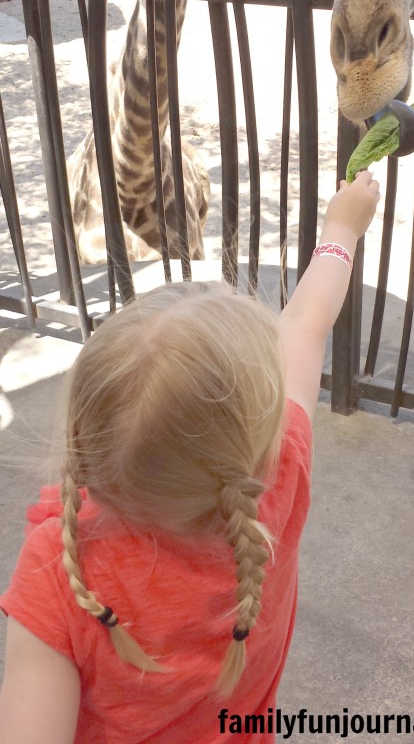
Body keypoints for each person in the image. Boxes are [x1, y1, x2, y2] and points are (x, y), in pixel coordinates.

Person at [0, 171, 379, 744]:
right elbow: (306, 322)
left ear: (84, 437)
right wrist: (342, 228)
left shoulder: (59, 578)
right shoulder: (275, 484)